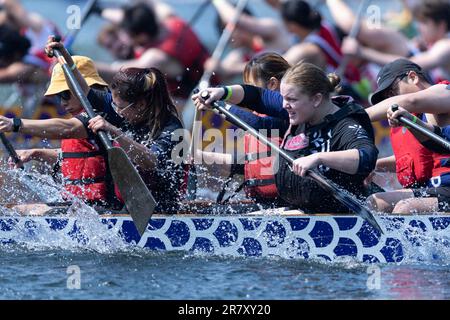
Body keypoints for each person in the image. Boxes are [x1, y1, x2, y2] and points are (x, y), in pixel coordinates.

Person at [193, 62, 378, 213]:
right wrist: (222, 93)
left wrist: (318, 158)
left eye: (291, 100)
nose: (284, 105)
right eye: (283, 98)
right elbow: (257, 96)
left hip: (336, 218)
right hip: (299, 211)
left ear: (316, 99)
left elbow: (366, 157)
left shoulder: (346, 125)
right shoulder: (302, 108)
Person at [0, 56, 121, 208]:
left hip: (108, 210)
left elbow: (68, 128)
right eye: (59, 97)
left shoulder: (103, 114)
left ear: (84, 88)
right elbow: (80, 156)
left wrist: (15, 123)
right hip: (82, 208)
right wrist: (36, 153)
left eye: (65, 94)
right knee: (15, 210)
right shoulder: (83, 115)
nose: (63, 102)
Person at [196, 52, 290, 205]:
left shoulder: (291, 112)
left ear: (272, 84)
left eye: (249, 87)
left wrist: (216, 104)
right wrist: (201, 157)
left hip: (286, 203)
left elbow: (259, 125)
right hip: (264, 203)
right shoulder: (258, 116)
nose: (244, 94)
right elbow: (248, 162)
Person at [363, 59, 450, 213]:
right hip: (429, 191)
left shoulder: (444, 91)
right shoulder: (404, 117)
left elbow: (411, 101)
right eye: (386, 98)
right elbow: (412, 158)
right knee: (375, 203)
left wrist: (354, 116)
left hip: (447, 187)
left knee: (405, 208)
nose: (389, 101)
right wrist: (373, 165)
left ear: (413, 77)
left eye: (392, 92)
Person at [95, 2, 210, 108]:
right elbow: (152, 3)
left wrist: (84, 65)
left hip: (190, 100)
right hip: (199, 67)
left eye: (129, 35)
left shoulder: (155, 57)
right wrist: (99, 10)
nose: (125, 39)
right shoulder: (173, 21)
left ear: (142, 36)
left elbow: (114, 71)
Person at [342, 0, 450, 84]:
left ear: (441, 25)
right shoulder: (435, 44)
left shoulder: (445, 46)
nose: (419, 28)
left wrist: (363, 52)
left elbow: (410, 64)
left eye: (424, 22)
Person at [203, 0, 290, 82]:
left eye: (230, 28)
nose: (228, 35)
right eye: (223, 29)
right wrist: (215, 67)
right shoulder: (240, 54)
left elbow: (236, 20)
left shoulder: (273, 30)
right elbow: (223, 73)